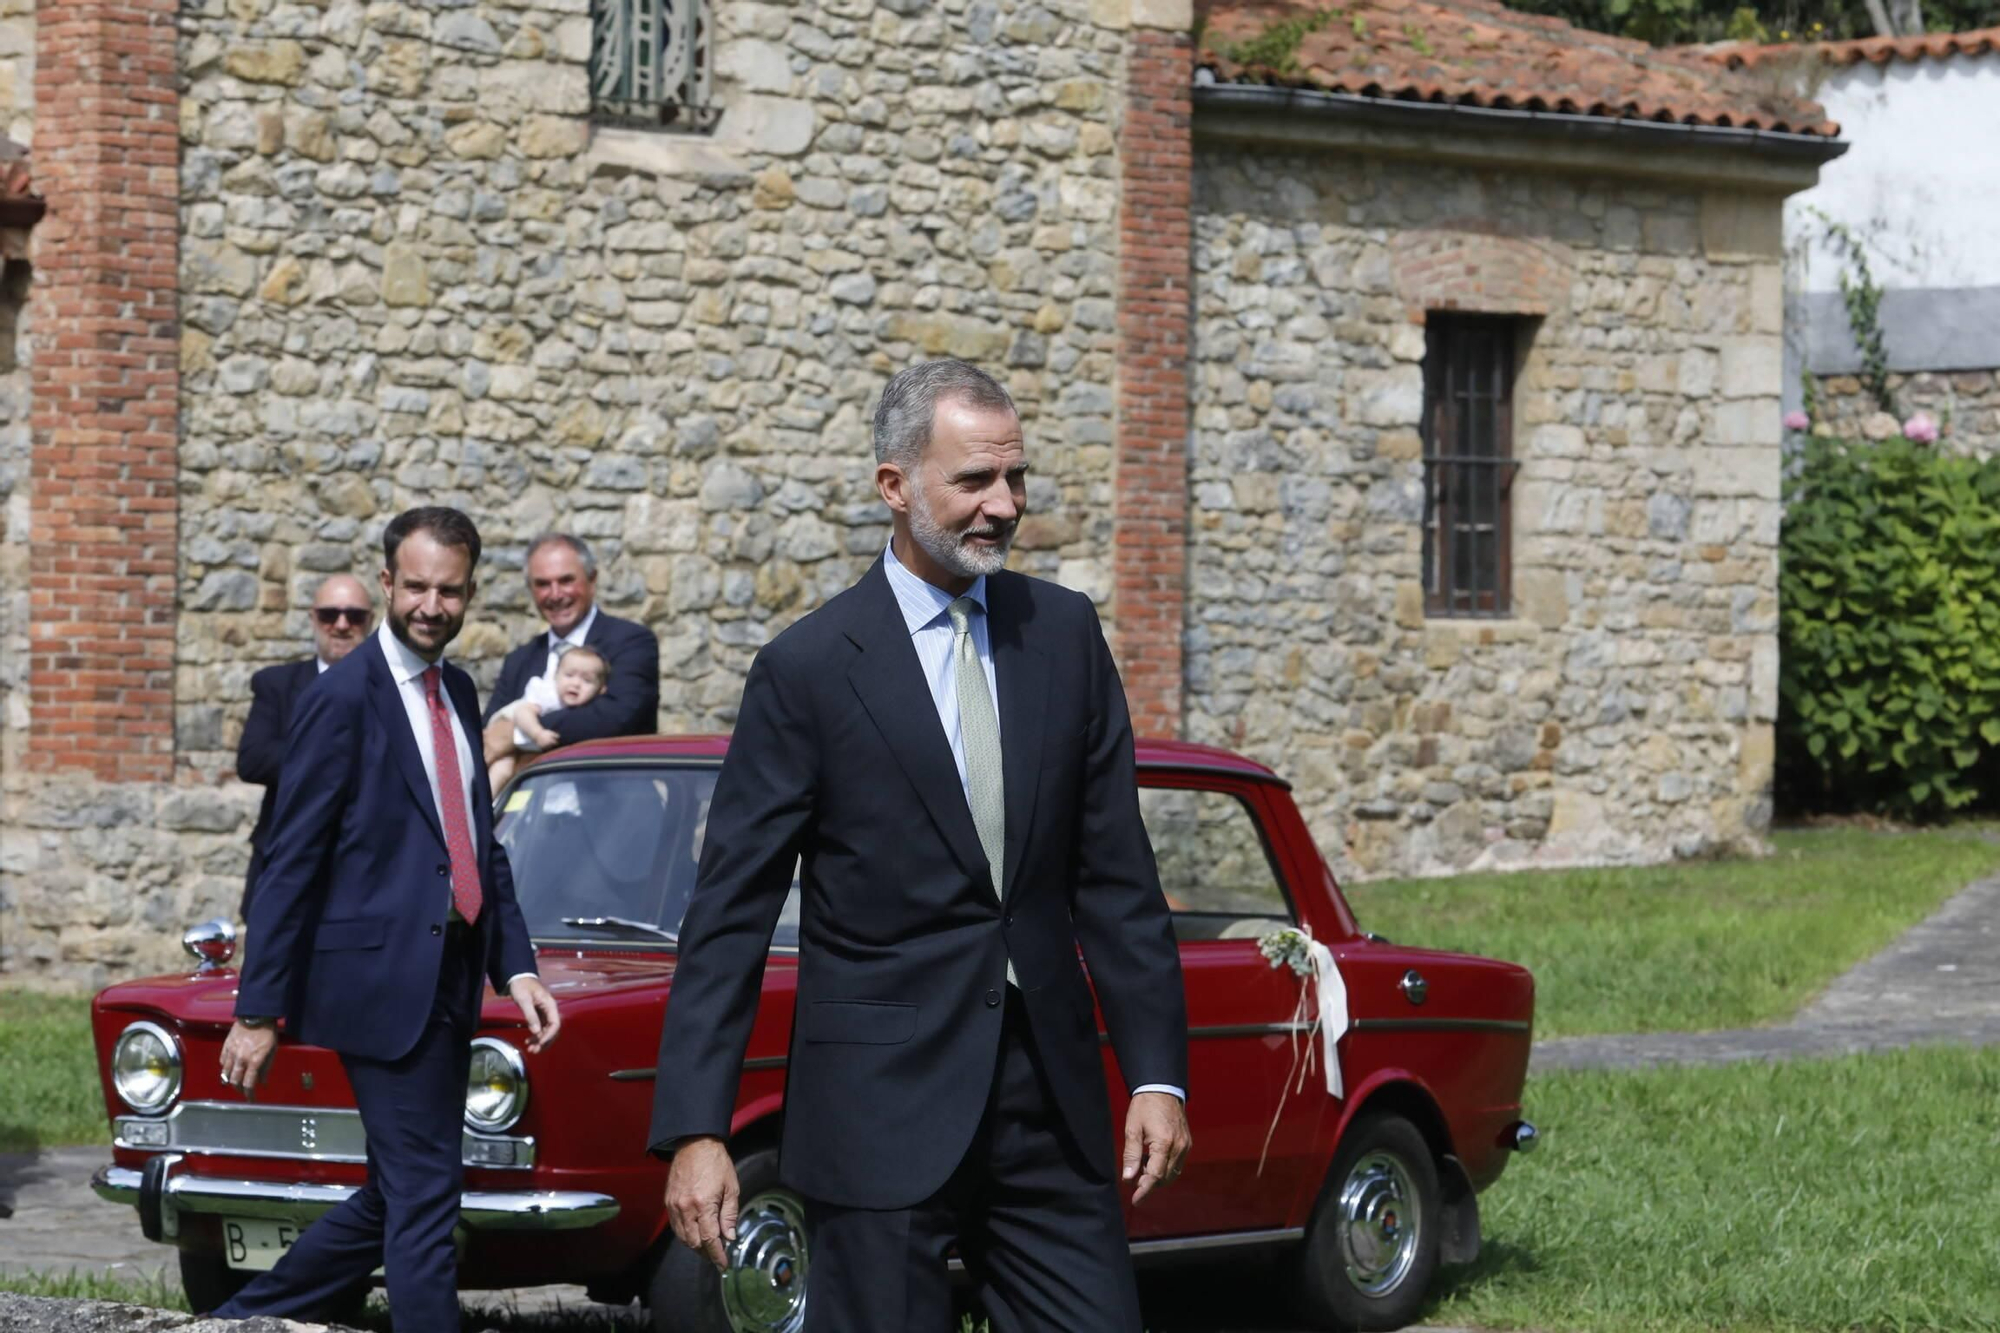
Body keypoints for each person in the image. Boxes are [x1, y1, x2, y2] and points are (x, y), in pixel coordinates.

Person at [650, 359, 1192, 1332]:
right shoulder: (807, 671)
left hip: (1048, 1109)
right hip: (875, 1112)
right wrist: (695, 1127)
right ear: (893, 487)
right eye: (973, 481)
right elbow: (728, 916)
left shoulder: (1062, 636)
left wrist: (1155, 1074)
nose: (1002, 505)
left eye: (1014, 478)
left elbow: (1114, 880)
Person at [212, 507, 561, 1329]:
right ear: (387, 585)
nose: (430, 604)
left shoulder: (463, 690)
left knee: (399, 1188)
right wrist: (257, 1010)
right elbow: (290, 859)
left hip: (450, 977)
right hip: (376, 985)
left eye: (449, 589)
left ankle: (240, 1319)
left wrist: (518, 966)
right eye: (416, 587)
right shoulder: (342, 699)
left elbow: (479, 846)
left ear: (471, 591)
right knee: (428, 1195)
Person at [236, 574, 374, 918]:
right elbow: (253, 760)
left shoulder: (391, 692)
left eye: (354, 616)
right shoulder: (278, 685)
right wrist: (340, 759)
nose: (342, 625)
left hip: (363, 874)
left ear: (370, 622)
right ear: (313, 618)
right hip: (285, 865)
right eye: (330, 615)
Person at [482, 533, 659, 754]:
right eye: (543, 584)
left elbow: (616, 717)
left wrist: (517, 733)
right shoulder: (519, 660)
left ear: (592, 580)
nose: (555, 595)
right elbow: (488, 737)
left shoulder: (631, 642)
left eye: (566, 581)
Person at [485, 644, 609, 787]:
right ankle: (485, 806)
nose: (575, 683)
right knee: (502, 771)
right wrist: (537, 733)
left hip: (527, 749)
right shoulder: (548, 695)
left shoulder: (593, 709)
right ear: (556, 676)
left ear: (601, 689)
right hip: (510, 723)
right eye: (569, 675)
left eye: (587, 680)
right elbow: (522, 712)